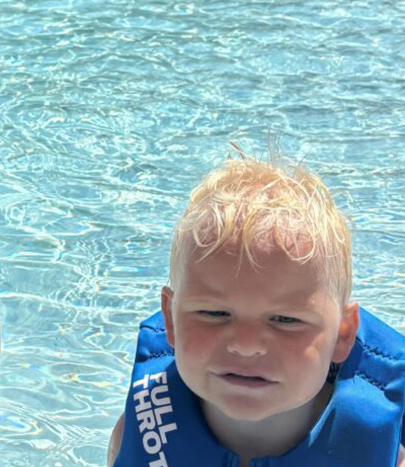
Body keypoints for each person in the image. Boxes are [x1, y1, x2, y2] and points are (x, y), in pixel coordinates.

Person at [107, 150, 405, 466]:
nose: (245, 345)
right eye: (215, 313)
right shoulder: (139, 431)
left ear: (343, 334)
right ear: (170, 320)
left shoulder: (386, 454)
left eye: (285, 319)